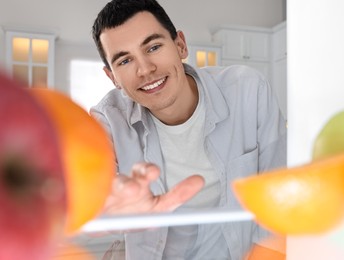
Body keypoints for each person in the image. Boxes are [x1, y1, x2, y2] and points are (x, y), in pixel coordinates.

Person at [90, 0, 287, 259]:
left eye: (154, 47)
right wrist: (102, 204)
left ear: (180, 45)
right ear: (112, 76)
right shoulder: (108, 119)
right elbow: (87, 185)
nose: (145, 70)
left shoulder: (248, 91)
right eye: (125, 61)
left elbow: (280, 199)